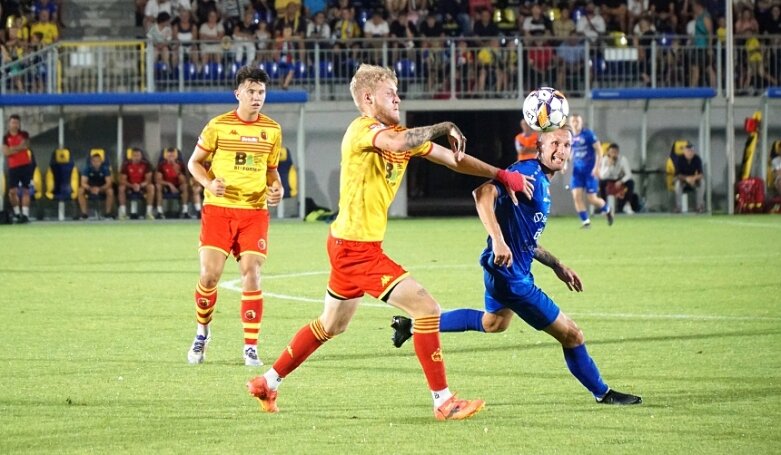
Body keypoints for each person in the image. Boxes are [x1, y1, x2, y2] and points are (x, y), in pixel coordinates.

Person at [246, 64, 532, 420]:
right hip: (356, 249)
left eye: (397, 91)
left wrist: (502, 175)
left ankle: (268, 381)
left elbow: (454, 160)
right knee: (427, 308)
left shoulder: (400, 134)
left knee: (330, 325)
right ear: (368, 99)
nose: (397, 97)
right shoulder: (363, 130)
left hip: (348, 244)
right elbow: (398, 142)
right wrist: (444, 126)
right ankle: (443, 401)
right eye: (389, 92)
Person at [390, 126, 642, 406]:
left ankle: (413, 326)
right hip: (513, 277)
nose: (561, 150)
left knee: (493, 322)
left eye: (567, 145)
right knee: (572, 335)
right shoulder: (527, 172)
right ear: (540, 148)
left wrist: (557, 265)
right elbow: (482, 193)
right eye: (555, 143)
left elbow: (526, 240)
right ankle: (603, 393)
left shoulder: (541, 182)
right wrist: (498, 240)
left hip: (502, 268)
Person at [186, 66, 284, 367]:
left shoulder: (272, 130)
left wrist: (276, 187)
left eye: (261, 92)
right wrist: (208, 183)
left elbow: (270, 170)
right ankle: (202, 332)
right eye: (251, 92)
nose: (257, 98)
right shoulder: (218, 126)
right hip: (219, 210)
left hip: (254, 212)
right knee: (209, 275)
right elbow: (194, 163)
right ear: (238, 93)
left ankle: (250, 347)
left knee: (252, 273)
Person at [568, 114, 612, 229]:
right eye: (573, 121)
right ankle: (586, 222)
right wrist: (564, 164)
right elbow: (571, 152)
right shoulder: (570, 137)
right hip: (577, 172)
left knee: (592, 198)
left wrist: (597, 168)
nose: (575, 124)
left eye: (577, 121)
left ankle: (607, 209)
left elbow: (599, 151)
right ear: (570, 123)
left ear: (581, 122)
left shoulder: (588, 134)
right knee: (577, 196)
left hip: (590, 171)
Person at [2, 114, 34, 223]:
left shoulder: (24, 134)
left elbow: (25, 146)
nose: (14, 125)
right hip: (13, 167)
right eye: (12, 123)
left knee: (26, 190)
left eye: (16, 123)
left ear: (19, 124)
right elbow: (6, 152)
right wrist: (18, 148)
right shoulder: (5, 138)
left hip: (25, 165)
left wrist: (12, 149)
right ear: (9, 124)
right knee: (12, 192)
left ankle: (25, 215)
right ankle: (17, 213)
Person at [598, 143, 640, 214]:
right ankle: (604, 207)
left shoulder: (622, 159)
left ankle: (627, 205)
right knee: (601, 182)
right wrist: (609, 166)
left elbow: (628, 174)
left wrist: (621, 181)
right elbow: (602, 175)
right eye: (612, 152)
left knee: (630, 183)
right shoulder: (604, 160)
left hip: (618, 179)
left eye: (615, 152)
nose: (614, 154)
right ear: (608, 152)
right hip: (608, 179)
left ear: (618, 152)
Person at [118, 147, 155, 220]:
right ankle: (123, 213)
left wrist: (140, 185)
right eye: (134, 155)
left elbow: (148, 180)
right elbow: (123, 180)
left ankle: (149, 213)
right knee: (121, 188)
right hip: (129, 185)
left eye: (138, 155)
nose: (136, 157)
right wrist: (132, 186)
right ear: (131, 156)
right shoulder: (126, 165)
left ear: (141, 156)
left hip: (142, 185)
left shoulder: (147, 164)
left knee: (151, 187)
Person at [155, 147, 190, 219]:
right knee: (158, 186)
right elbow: (158, 180)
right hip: (166, 185)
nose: (171, 158)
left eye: (173, 156)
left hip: (178, 185)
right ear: (166, 156)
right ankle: (159, 212)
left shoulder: (180, 165)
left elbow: (184, 181)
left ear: (176, 156)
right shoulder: (161, 165)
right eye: (169, 156)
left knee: (185, 186)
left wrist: (177, 171)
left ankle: (185, 211)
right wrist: (169, 184)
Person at [77, 153, 115, 219]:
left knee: (110, 191)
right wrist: (90, 188)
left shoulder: (105, 169)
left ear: (101, 161)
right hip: (90, 188)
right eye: (94, 161)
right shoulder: (87, 169)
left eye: (98, 161)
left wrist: (99, 189)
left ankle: (108, 213)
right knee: (80, 190)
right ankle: (84, 214)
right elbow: (83, 183)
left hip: (102, 188)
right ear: (91, 162)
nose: (96, 163)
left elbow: (109, 183)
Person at [674, 141, 705, 213]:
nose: (690, 153)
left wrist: (693, 179)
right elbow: (677, 175)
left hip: (694, 181)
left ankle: (699, 207)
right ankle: (678, 207)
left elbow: (701, 174)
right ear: (684, 151)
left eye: (691, 151)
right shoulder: (680, 159)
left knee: (702, 183)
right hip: (683, 181)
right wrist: (687, 179)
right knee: (677, 184)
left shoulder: (697, 159)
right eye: (688, 151)